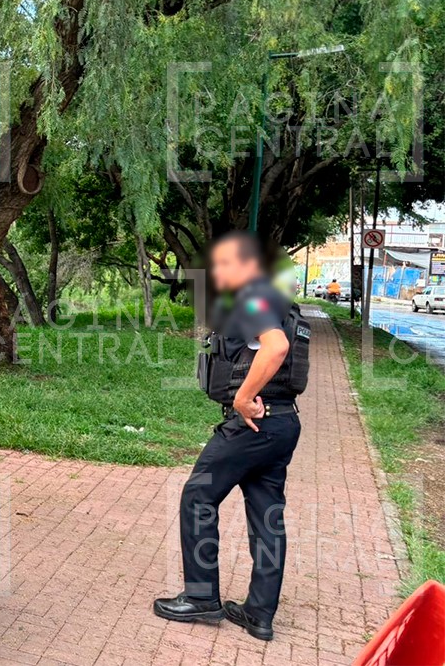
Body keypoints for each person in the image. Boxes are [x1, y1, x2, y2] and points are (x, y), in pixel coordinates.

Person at [154, 230, 307, 642]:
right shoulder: (279, 301)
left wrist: (242, 396)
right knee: (267, 514)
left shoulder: (252, 298)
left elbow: (274, 348)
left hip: (253, 424)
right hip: (283, 423)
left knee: (198, 495)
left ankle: (202, 597)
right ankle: (259, 614)